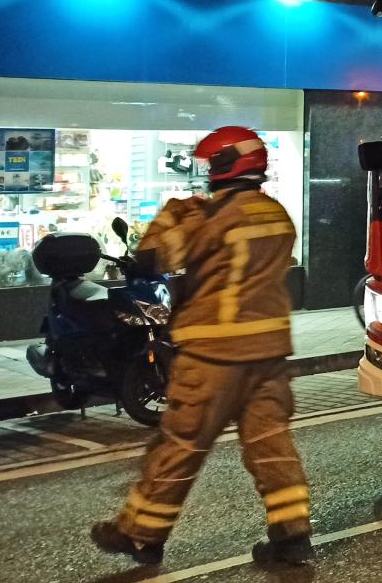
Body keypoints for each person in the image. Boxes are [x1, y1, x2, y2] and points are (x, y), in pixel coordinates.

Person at [91, 127, 313, 566]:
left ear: (228, 165)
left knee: (180, 445)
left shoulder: (211, 219)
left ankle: (141, 534)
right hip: (267, 355)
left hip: (213, 354)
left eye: (213, 163)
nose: (208, 172)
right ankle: (292, 535)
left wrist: (173, 216)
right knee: (272, 444)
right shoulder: (277, 216)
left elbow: (153, 258)